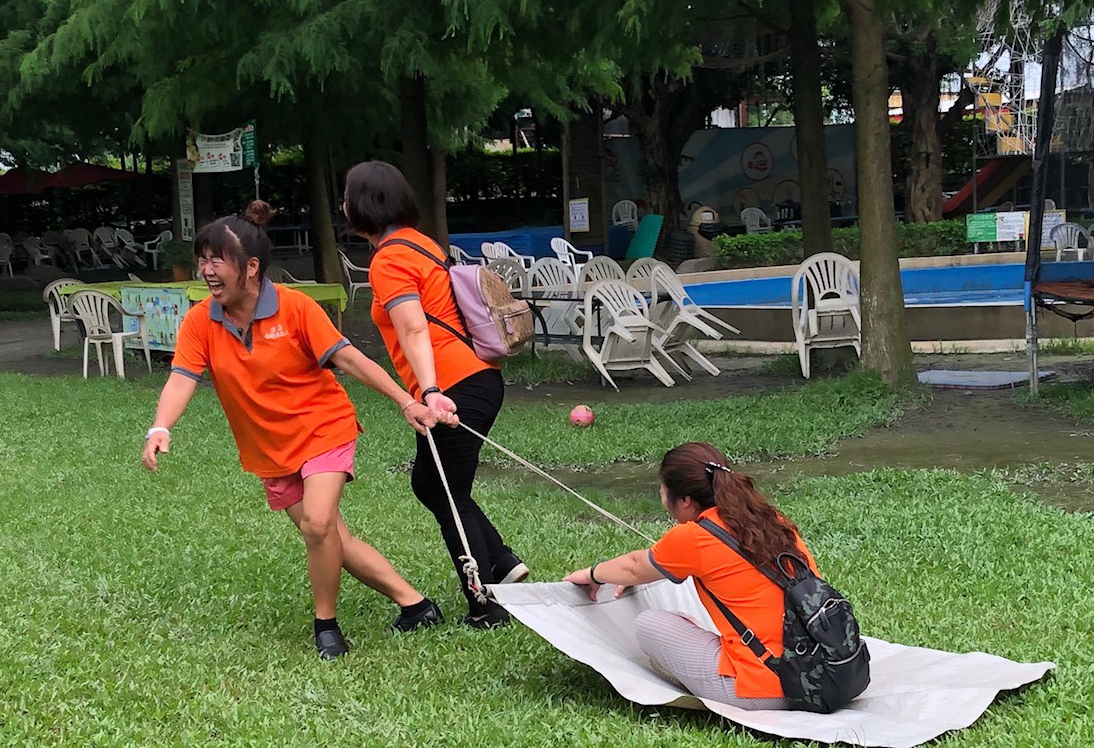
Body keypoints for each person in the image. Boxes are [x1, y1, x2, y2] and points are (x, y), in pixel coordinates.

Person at [142, 210, 446, 659]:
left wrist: (407, 401)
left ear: (251, 266)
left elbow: (348, 358)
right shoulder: (201, 321)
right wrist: (160, 426)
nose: (207, 270)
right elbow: (182, 378)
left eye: (217, 260)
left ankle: (326, 625)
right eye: (203, 259)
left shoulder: (296, 307)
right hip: (269, 447)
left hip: (324, 427)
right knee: (332, 538)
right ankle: (416, 605)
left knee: (318, 523)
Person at [343, 159, 526, 629]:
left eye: (346, 197)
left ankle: (486, 604)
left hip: (453, 386)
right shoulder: (422, 244)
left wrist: (430, 391)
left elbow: (413, 327)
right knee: (433, 485)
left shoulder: (389, 259)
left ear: (361, 206)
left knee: (446, 493)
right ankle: (502, 562)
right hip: (478, 378)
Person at [564, 442, 820, 708]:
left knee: (649, 624)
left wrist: (593, 573)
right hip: (822, 674)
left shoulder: (695, 536)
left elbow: (635, 566)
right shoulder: (772, 520)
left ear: (685, 500)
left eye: (663, 489)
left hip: (767, 690)